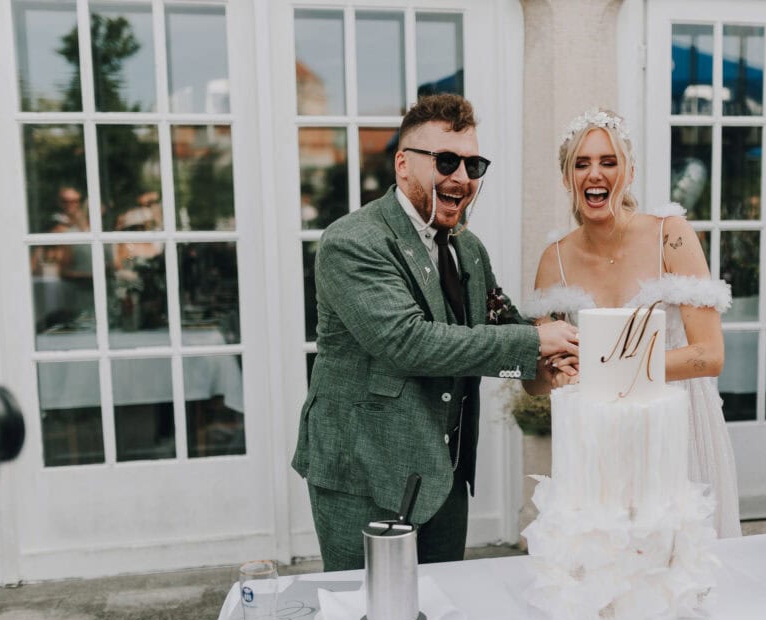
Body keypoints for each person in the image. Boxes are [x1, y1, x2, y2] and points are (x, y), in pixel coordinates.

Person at [292, 94, 578, 571]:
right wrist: (533, 344)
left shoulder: (469, 249)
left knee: (443, 608)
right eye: (447, 161)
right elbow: (407, 342)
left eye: (473, 164)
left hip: (444, 476)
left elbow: (502, 325)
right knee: (365, 615)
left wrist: (556, 358)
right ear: (403, 165)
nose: (462, 178)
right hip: (365, 475)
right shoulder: (353, 241)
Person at [523, 108, 741, 537]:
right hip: (599, 437)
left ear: (630, 172)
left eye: (608, 161)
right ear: (567, 179)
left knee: (676, 565)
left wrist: (605, 367)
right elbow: (534, 380)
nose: (594, 174)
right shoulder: (556, 261)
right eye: (581, 164)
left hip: (675, 424)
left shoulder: (670, 235)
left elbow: (710, 355)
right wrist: (557, 372)